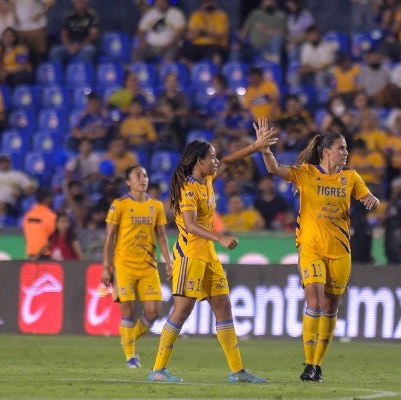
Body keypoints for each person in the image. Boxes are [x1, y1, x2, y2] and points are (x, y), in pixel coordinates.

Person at [146, 123, 277, 383]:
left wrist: (256, 146)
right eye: (212, 157)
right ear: (198, 161)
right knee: (182, 311)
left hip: (208, 256)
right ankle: (158, 370)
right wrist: (220, 237)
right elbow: (191, 225)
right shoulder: (188, 188)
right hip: (190, 256)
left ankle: (237, 372)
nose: (217, 161)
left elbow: (229, 159)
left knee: (223, 308)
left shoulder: (206, 179)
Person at [257, 118, 379, 381]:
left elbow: (369, 198)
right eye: (341, 148)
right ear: (326, 151)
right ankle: (308, 363)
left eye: (346, 149)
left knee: (331, 307)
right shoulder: (306, 174)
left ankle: (318, 364)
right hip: (311, 247)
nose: (345, 153)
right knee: (314, 300)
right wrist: (266, 150)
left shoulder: (351, 177)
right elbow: (275, 170)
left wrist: (372, 199)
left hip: (340, 251)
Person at [101, 165, 172, 368]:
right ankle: (131, 356)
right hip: (124, 265)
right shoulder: (119, 205)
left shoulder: (156, 206)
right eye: (138, 176)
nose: (143, 179)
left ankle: (128, 339)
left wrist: (168, 261)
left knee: (154, 311)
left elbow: (161, 236)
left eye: (146, 175)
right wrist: (106, 266)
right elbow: (109, 237)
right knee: (128, 310)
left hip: (148, 265)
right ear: (128, 182)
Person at [49, 0, 99, 65]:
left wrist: (80, 46)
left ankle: (83, 74)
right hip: (71, 44)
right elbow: (64, 33)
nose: (79, 4)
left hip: (85, 45)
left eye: (81, 2)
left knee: (87, 51)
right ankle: (59, 74)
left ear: (85, 3)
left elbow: (93, 34)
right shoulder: (69, 15)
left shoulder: (92, 15)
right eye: (77, 2)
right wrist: (68, 46)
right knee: (55, 51)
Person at [22, 187, 56, 260]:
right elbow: (53, 238)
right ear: (47, 199)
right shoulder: (51, 216)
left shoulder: (28, 215)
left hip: (30, 255)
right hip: (45, 256)